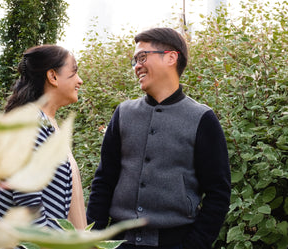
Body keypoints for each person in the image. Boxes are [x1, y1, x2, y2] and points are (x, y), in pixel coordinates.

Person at [86, 27, 231, 249]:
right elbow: (104, 181)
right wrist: (93, 238)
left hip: (176, 242)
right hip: (118, 243)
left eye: (142, 57)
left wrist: (193, 245)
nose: (137, 66)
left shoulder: (202, 119)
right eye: (134, 60)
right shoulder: (123, 113)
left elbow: (218, 193)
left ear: (171, 57)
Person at [0, 45, 87, 230]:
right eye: (74, 72)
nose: (80, 80)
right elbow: (28, 202)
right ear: (53, 76)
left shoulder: (46, 122)